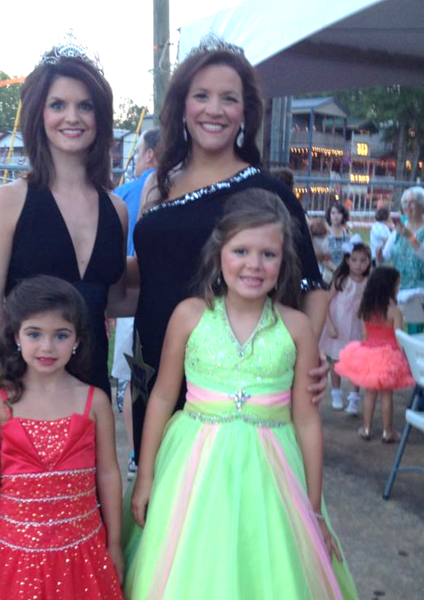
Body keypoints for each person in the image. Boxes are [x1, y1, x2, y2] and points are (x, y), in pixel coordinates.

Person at [123, 191, 358, 600]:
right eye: (241, 251)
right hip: (193, 465)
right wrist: (145, 476)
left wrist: (314, 506)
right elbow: (162, 397)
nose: (254, 264)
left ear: (283, 260)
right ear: (219, 253)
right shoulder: (189, 315)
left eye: (268, 254)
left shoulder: (297, 327)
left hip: (272, 471)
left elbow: (305, 419)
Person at [131, 35, 328, 461]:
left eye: (228, 98)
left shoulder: (266, 191)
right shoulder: (158, 184)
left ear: (245, 113)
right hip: (154, 370)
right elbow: (151, 269)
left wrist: (305, 361)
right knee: (163, 501)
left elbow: (313, 285)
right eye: (201, 95)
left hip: (232, 382)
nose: (214, 109)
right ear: (183, 105)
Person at [0, 36, 129, 479]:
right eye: (58, 105)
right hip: (20, 392)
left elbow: (110, 299)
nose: (72, 117)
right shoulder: (6, 202)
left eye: (85, 106)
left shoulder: (117, 209)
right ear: (39, 114)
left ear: (100, 118)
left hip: (89, 390)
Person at [0, 275, 124, 600]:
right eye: (34, 334)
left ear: (77, 340)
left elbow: (109, 474)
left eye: (61, 335)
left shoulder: (94, 401)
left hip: (83, 557)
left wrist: (113, 544)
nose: (47, 346)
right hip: (13, 559)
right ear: (16, 336)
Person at [112, 127, 160, 479]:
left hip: (128, 299)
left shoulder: (122, 194)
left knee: (135, 382)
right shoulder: (180, 188)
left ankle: (135, 452)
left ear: (150, 155)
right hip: (157, 299)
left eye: (140, 150)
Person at [336, 267, 414, 443]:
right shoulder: (394, 311)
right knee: (387, 395)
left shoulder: (366, 309)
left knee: (369, 393)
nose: (398, 288)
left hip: (370, 353)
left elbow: (365, 335)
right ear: (389, 287)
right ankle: (388, 432)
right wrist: (403, 357)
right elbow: (399, 336)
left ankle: (366, 428)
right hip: (389, 356)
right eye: (397, 284)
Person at [319, 242, 371, 414]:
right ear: (347, 261)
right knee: (336, 359)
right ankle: (336, 392)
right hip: (339, 324)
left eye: (363, 260)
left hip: (357, 325)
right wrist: (330, 325)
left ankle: (354, 398)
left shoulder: (368, 282)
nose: (358, 264)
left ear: (369, 262)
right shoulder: (341, 280)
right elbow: (325, 301)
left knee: (358, 360)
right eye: (354, 260)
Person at [323, 201, 352, 281]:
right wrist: (337, 270)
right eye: (333, 213)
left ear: (343, 215)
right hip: (329, 278)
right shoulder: (325, 234)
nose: (336, 216)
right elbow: (323, 258)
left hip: (346, 277)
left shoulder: (348, 234)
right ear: (329, 215)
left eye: (339, 213)